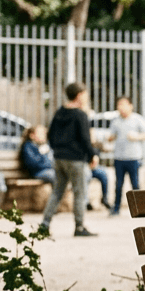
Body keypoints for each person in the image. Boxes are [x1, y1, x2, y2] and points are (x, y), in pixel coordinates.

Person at [38, 82, 100, 237]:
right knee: (80, 192)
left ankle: (44, 224)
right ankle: (79, 227)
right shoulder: (80, 114)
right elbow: (85, 139)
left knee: (57, 192)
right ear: (79, 95)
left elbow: (50, 134)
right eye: (85, 94)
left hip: (59, 158)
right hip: (75, 159)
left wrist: (57, 150)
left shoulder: (60, 112)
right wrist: (92, 155)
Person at [105, 96, 145, 216]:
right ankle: (116, 208)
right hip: (119, 158)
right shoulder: (115, 121)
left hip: (133, 158)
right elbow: (111, 136)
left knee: (135, 184)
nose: (121, 107)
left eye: (123, 104)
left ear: (130, 106)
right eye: (119, 105)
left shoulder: (138, 119)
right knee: (118, 184)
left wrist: (137, 136)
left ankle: (140, 209)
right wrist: (109, 138)